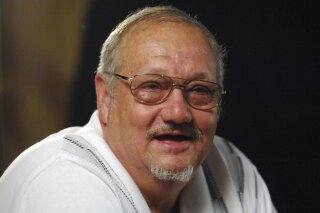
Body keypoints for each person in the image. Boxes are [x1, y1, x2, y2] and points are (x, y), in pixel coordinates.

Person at [0, 5, 277, 213]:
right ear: (105, 96)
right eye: (153, 87)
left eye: (200, 90)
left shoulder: (233, 169)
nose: (178, 113)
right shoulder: (61, 184)